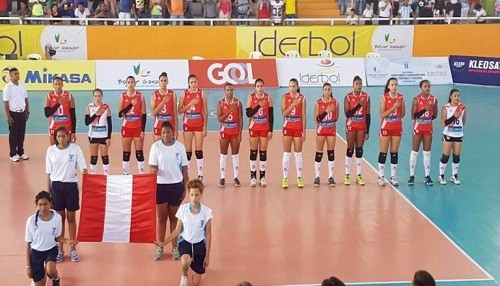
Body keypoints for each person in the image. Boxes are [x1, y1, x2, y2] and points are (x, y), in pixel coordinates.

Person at [157, 178, 212, 286]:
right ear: (188, 194)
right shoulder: (182, 209)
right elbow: (177, 230)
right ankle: (184, 275)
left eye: (196, 195)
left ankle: (195, 270)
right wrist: (164, 243)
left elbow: (209, 234)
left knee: (196, 283)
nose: (194, 198)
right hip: (185, 242)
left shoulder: (207, 212)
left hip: (199, 245)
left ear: (201, 194)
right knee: (185, 261)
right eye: (191, 195)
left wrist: (207, 256)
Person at [46, 126, 87, 263]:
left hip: (71, 186)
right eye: (58, 137)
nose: (61, 139)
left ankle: (73, 247)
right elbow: (49, 174)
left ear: (68, 136)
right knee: (59, 219)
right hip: (56, 187)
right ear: (55, 138)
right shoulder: (51, 151)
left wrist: (85, 172)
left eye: (63, 136)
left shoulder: (75, 149)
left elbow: (83, 167)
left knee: (71, 218)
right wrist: (49, 193)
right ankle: (60, 249)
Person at [149, 121, 189, 261]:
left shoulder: (180, 147)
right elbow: (152, 166)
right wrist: (153, 170)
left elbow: (184, 169)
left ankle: (175, 247)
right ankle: (160, 246)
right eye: (163, 132)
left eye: (168, 132)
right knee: (161, 218)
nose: (166, 135)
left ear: (173, 132)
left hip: (176, 186)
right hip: (160, 186)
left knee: (174, 219)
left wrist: (186, 186)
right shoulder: (156, 147)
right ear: (161, 133)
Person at [25, 191, 77, 286]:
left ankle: (55, 279)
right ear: (36, 205)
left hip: (51, 250)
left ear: (50, 204)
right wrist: (28, 266)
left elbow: (57, 237)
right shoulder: (31, 221)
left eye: (45, 204)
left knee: (51, 270)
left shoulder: (57, 218)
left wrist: (68, 241)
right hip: (36, 253)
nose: (43, 207)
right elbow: (28, 243)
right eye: (40, 204)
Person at [178, 75, 208, 182]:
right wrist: (191, 104)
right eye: (192, 82)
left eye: (195, 82)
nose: (194, 84)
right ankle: (187, 176)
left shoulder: (202, 93)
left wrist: (205, 127)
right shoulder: (184, 94)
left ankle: (200, 175)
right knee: (188, 151)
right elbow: (180, 111)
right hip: (188, 125)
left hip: (199, 125)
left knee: (199, 151)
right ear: (188, 83)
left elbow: (205, 111)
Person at [408, 80, 437, 186]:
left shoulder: (434, 99)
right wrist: (425, 110)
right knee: (415, 152)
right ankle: (411, 176)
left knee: (427, 152)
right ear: (421, 87)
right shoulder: (416, 99)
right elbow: (413, 116)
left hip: (428, 127)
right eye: (425, 86)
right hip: (418, 128)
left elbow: (435, 115)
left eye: (429, 86)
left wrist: (427, 119)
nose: (427, 88)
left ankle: (427, 176)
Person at [246, 78, 274, 187]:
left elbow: (271, 116)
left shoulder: (268, 98)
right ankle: (253, 177)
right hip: (253, 128)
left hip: (264, 128)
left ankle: (262, 177)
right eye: (258, 86)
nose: (260, 88)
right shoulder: (251, 97)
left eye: (261, 86)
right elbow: (249, 113)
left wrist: (270, 130)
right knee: (253, 152)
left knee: (263, 152)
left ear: (264, 87)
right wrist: (258, 105)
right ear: (255, 87)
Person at [377, 77, 405, 187]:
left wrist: (396, 115)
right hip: (386, 127)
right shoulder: (384, 97)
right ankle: (381, 176)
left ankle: (393, 176)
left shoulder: (401, 97)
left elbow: (402, 113)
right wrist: (393, 108)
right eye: (392, 85)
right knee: (383, 152)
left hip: (397, 127)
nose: (394, 86)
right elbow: (382, 115)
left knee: (394, 152)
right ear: (388, 86)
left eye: (396, 84)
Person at [344, 76, 370, 186]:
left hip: (361, 126)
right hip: (351, 125)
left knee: (359, 149)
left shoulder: (366, 96)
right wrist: (359, 105)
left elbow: (368, 115)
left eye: (360, 84)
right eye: (357, 84)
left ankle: (359, 175)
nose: (359, 86)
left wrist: (367, 130)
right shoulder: (348, 97)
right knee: (350, 149)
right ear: (353, 85)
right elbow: (347, 114)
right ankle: (347, 175)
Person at [118, 75, 147, 175]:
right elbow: (120, 114)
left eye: (132, 82)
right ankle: (126, 174)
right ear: (126, 84)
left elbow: (144, 114)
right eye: (128, 82)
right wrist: (131, 104)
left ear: (135, 83)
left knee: (139, 152)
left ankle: (142, 175)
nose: (130, 84)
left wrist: (143, 130)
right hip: (126, 127)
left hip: (138, 127)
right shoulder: (123, 96)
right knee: (126, 153)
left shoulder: (140, 96)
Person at [281, 78, 306, 188]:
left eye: (294, 86)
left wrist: (304, 131)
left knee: (298, 153)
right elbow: (284, 113)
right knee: (287, 153)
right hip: (287, 127)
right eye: (290, 86)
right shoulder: (285, 97)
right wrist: (293, 104)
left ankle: (299, 177)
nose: (292, 88)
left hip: (298, 128)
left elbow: (303, 116)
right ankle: (285, 178)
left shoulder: (302, 98)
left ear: (297, 87)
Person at [217, 83, 243, 188]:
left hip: (235, 131)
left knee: (235, 154)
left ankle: (236, 177)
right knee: (223, 154)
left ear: (234, 90)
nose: (229, 92)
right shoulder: (221, 103)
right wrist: (229, 111)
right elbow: (219, 119)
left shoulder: (238, 103)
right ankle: (222, 177)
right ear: (224, 91)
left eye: (231, 90)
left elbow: (241, 119)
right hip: (224, 131)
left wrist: (240, 133)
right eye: (227, 90)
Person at [313, 83, 339, 187]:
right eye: (325, 90)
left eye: (329, 89)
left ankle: (331, 177)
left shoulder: (335, 102)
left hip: (331, 130)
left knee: (331, 153)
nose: (327, 91)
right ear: (323, 91)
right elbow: (317, 119)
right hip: (321, 130)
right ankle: (317, 177)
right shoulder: (318, 103)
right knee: (319, 153)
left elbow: (336, 117)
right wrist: (326, 111)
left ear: (331, 90)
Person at [439, 89, 466, 185]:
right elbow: (443, 123)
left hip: (459, 134)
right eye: (455, 96)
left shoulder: (463, 107)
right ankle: (441, 175)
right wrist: (454, 116)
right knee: (445, 156)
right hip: (448, 135)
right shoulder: (446, 107)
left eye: (458, 95)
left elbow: (464, 121)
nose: (457, 97)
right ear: (450, 96)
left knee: (456, 156)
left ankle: (454, 175)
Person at [3, 67, 30, 162]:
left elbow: (26, 99)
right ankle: (13, 153)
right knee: (13, 135)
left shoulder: (22, 86)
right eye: (15, 74)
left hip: (22, 113)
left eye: (18, 73)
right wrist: (8, 117)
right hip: (13, 114)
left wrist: (27, 111)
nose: (18, 75)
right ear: (10, 76)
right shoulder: (8, 88)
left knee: (21, 134)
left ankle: (20, 152)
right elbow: (6, 103)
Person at [85, 88, 112, 175]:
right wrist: (96, 115)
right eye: (95, 96)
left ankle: (106, 176)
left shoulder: (106, 107)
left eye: (99, 96)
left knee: (105, 157)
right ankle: (93, 176)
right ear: (93, 97)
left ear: (102, 96)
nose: (97, 98)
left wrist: (109, 137)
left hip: (103, 136)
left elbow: (110, 124)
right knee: (94, 157)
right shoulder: (89, 106)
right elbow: (87, 122)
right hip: (93, 136)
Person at [44, 76, 76, 146]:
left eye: (59, 84)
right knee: (54, 149)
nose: (58, 86)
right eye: (56, 84)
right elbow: (47, 114)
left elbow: (73, 115)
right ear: (53, 85)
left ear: (62, 85)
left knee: (68, 149)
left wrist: (73, 132)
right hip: (54, 127)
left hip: (67, 126)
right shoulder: (49, 96)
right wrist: (58, 103)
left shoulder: (69, 96)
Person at [151, 72, 177, 142]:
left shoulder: (172, 94)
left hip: (170, 125)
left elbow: (175, 113)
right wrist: (163, 102)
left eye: (165, 81)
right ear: (158, 82)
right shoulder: (154, 94)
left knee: (170, 149)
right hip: (158, 125)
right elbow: (153, 113)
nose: (163, 82)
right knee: (158, 149)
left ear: (167, 82)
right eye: (161, 81)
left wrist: (176, 130)